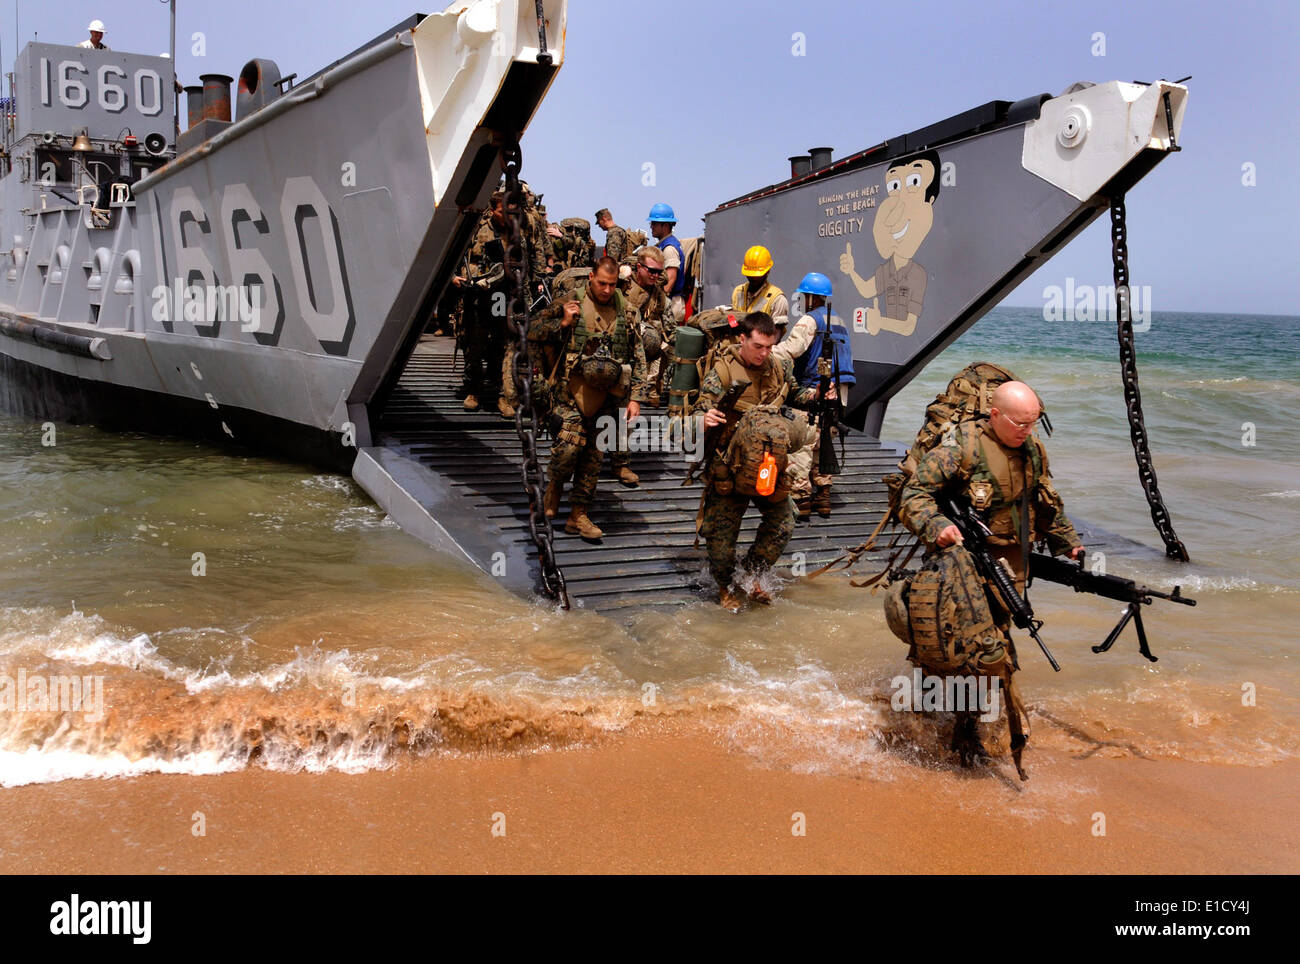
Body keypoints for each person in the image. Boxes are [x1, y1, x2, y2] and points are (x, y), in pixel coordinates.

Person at [898, 380, 1084, 771]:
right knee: (958, 642)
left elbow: (1044, 498)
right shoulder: (961, 447)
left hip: (1009, 563)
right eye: (1019, 422)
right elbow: (914, 495)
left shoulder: (1032, 449)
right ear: (995, 415)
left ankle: (971, 729)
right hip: (960, 559)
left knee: (997, 641)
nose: (1026, 431)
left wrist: (1066, 541)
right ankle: (938, 723)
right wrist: (938, 527)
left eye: (1033, 423)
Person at [692, 311, 822, 611]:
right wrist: (705, 418)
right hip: (730, 465)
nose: (764, 353)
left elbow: (796, 394)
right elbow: (699, 410)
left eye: (769, 346)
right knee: (721, 537)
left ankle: (752, 573)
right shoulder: (723, 373)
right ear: (743, 339)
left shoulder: (777, 367)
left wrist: (816, 396)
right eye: (758, 347)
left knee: (784, 522)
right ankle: (725, 586)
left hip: (768, 463)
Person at [531, 257, 648, 540]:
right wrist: (562, 322)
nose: (607, 290)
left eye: (612, 285)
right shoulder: (569, 301)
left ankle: (578, 516)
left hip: (608, 396)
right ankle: (554, 491)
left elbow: (639, 355)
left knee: (593, 460)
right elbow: (531, 332)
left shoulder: (627, 312)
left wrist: (636, 398)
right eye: (601, 283)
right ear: (591, 278)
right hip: (571, 391)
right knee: (568, 451)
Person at [778, 272, 852, 519]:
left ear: (809, 297)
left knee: (803, 443)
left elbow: (792, 350)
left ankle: (802, 499)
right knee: (825, 444)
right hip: (838, 392)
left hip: (813, 390)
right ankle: (824, 496)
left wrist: (766, 350)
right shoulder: (839, 320)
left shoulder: (809, 321)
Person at [452, 192, 516, 419]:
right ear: (492, 210)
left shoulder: (516, 231)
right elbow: (454, 252)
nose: (506, 215)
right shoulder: (477, 228)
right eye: (502, 211)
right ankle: (474, 391)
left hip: (500, 296)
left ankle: (501, 395)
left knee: (500, 343)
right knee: (474, 344)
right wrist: (454, 277)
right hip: (476, 294)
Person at [619, 246, 672, 407]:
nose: (655, 276)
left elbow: (671, 329)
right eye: (651, 271)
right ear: (640, 267)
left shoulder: (658, 295)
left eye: (658, 272)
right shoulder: (622, 284)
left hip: (640, 355)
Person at [730, 245, 788, 326]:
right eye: (750, 274)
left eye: (757, 275)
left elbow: (777, 334)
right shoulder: (738, 292)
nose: (753, 278)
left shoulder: (777, 299)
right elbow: (733, 322)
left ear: (768, 271)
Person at [648, 203, 686, 323]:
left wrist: (658, 303)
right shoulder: (665, 245)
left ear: (665, 225)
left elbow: (670, 280)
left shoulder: (669, 248)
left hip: (671, 303)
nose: (651, 226)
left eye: (654, 223)